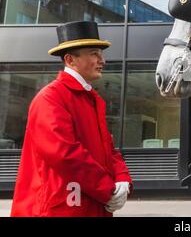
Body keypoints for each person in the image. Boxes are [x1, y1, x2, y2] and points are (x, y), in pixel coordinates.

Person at [10, 21, 132, 217]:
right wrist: (107, 190)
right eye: (94, 53)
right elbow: (65, 155)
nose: (103, 60)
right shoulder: (51, 98)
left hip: (87, 204)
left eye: (100, 54)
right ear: (70, 59)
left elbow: (108, 148)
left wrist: (123, 179)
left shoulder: (92, 98)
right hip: (60, 208)